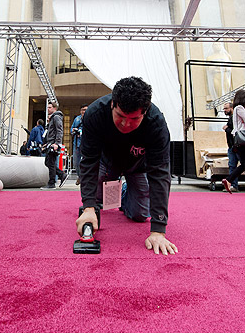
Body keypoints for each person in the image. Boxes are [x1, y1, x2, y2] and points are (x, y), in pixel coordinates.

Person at [76, 76, 178, 255]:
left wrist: (158, 230)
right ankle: (99, 199)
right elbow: (88, 161)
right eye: (120, 116)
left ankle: (124, 192)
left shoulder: (156, 124)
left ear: (144, 112)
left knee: (140, 214)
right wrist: (89, 206)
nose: (125, 124)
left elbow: (160, 173)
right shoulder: (95, 114)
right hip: (105, 164)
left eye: (133, 119)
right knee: (97, 202)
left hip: (137, 166)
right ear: (113, 104)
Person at [41, 102, 66, 189]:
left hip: (53, 144)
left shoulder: (56, 117)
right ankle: (61, 174)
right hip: (50, 143)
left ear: (54, 108)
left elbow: (59, 130)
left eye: (50, 107)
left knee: (50, 163)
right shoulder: (53, 118)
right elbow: (51, 132)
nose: (48, 109)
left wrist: (57, 143)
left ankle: (51, 183)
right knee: (48, 162)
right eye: (47, 107)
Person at [71, 103, 88, 185]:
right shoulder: (77, 119)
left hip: (86, 144)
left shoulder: (90, 118)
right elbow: (71, 130)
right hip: (76, 144)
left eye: (86, 110)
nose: (84, 112)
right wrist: (74, 130)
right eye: (83, 110)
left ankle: (84, 178)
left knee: (86, 162)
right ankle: (80, 176)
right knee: (76, 162)